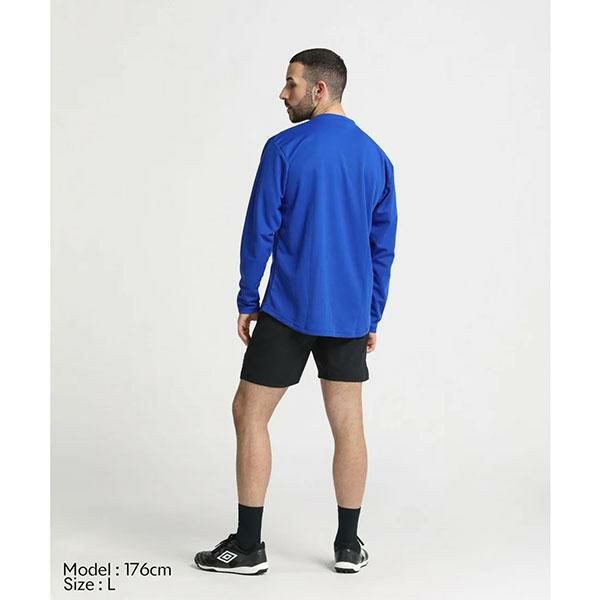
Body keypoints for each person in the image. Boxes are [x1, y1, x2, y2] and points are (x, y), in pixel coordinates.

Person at [194, 48, 397, 575]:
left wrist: (248, 299)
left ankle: (249, 546)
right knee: (349, 424)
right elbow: (382, 248)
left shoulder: (284, 148)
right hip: (348, 314)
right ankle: (348, 546)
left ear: (319, 90)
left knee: (249, 412)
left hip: (287, 308)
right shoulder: (377, 159)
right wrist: (372, 315)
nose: (283, 94)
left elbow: (259, 229)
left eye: (291, 84)